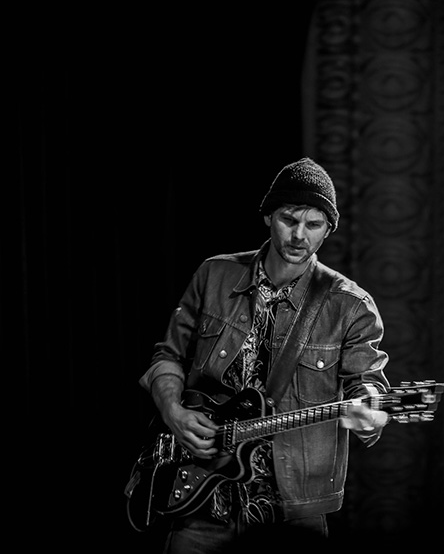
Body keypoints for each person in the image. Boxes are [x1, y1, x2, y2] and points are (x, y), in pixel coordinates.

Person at [133, 157, 391, 554]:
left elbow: (367, 385)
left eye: (314, 225)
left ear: (327, 231)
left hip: (291, 510)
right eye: (289, 219)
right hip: (201, 495)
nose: (299, 236)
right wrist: (173, 412)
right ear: (269, 216)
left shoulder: (350, 306)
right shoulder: (214, 274)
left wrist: (369, 409)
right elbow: (166, 356)